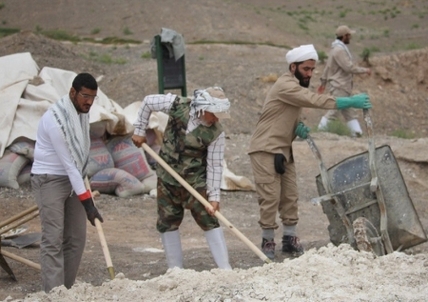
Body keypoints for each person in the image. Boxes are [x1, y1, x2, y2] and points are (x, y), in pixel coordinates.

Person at [248, 44, 372, 260]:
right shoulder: (286, 85)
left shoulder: (294, 86)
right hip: (266, 149)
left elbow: (284, 113)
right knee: (270, 197)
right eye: (306, 69)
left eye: (313, 70)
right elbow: (313, 100)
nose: (310, 74)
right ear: (293, 66)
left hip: (283, 149)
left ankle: (290, 239)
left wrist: (297, 128)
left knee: (290, 195)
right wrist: (348, 101)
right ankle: (267, 241)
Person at [132, 87, 232, 270]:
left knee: (209, 220)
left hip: (195, 181)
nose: (217, 119)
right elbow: (147, 101)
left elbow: (215, 165)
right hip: (167, 177)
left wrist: (214, 197)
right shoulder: (177, 104)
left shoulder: (216, 133)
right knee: (167, 220)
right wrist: (139, 129)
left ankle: (225, 269)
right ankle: (175, 270)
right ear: (204, 108)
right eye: (214, 114)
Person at [31, 73, 104, 293]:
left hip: (74, 180)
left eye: (93, 97)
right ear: (72, 92)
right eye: (84, 96)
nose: (89, 102)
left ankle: (66, 291)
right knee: (53, 239)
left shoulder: (80, 115)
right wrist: (89, 204)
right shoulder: (56, 121)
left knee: (76, 239)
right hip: (49, 179)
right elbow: (70, 164)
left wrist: (84, 197)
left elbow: (77, 163)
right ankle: (54, 294)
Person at [317, 25, 372, 137]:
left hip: (341, 86)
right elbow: (348, 67)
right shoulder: (339, 50)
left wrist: (323, 82)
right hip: (340, 86)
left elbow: (328, 67)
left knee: (348, 111)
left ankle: (357, 134)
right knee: (335, 109)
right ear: (344, 36)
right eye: (349, 35)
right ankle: (319, 132)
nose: (350, 38)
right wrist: (364, 70)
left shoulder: (335, 49)